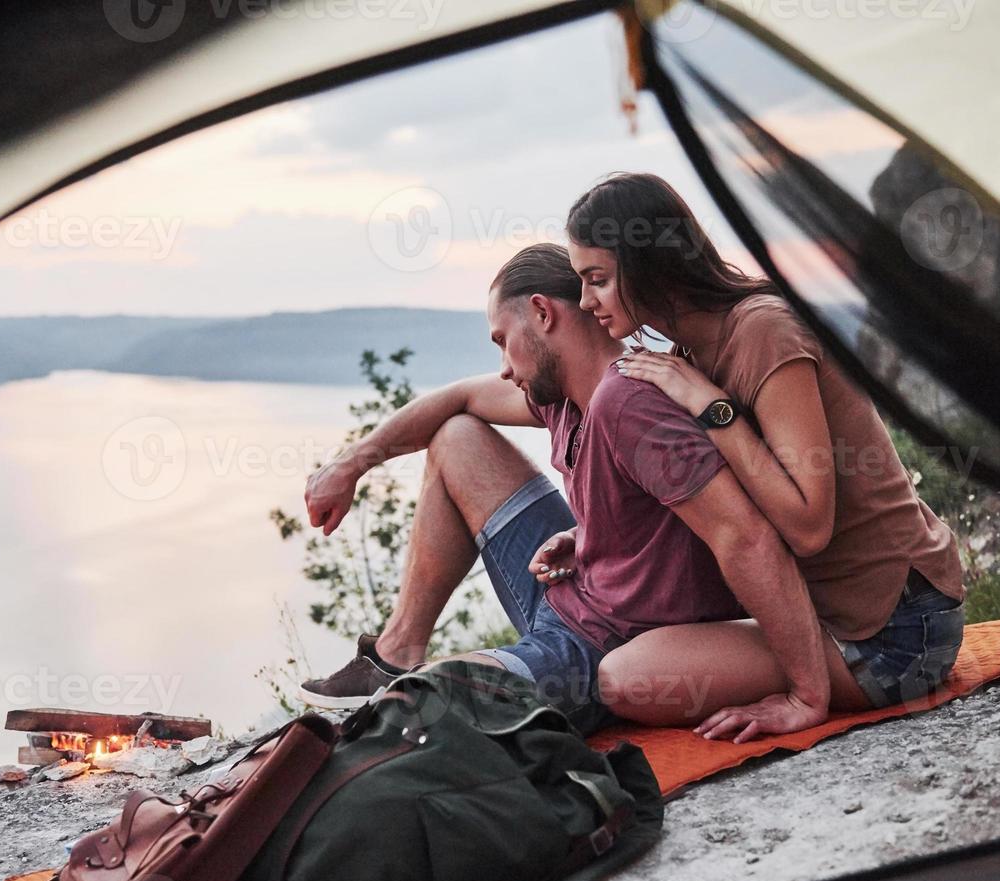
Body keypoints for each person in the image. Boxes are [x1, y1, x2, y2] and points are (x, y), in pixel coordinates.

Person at [296, 243, 870, 736]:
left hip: (602, 644)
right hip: (570, 589)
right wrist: (351, 465)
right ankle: (395, 653)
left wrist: (805, 692)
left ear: (543, 313)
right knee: (456, 438)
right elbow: (456, 399)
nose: (502, 366)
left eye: (503, 340)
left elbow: (746, 538)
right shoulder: (561, 395)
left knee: (425, 707)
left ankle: (427, 681)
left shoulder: (635, 401)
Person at [563, 172, 966, 739]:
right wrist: (588, 537)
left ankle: (811, 686)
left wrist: (713, 409)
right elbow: (728, 500)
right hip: (842, 618)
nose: (586, 301)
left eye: (597, 280)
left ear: (648, 263)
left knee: (627, 679)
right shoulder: (693, 351)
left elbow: (807, 526)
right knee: (636, 668)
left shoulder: (763, 332)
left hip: (898, 635)